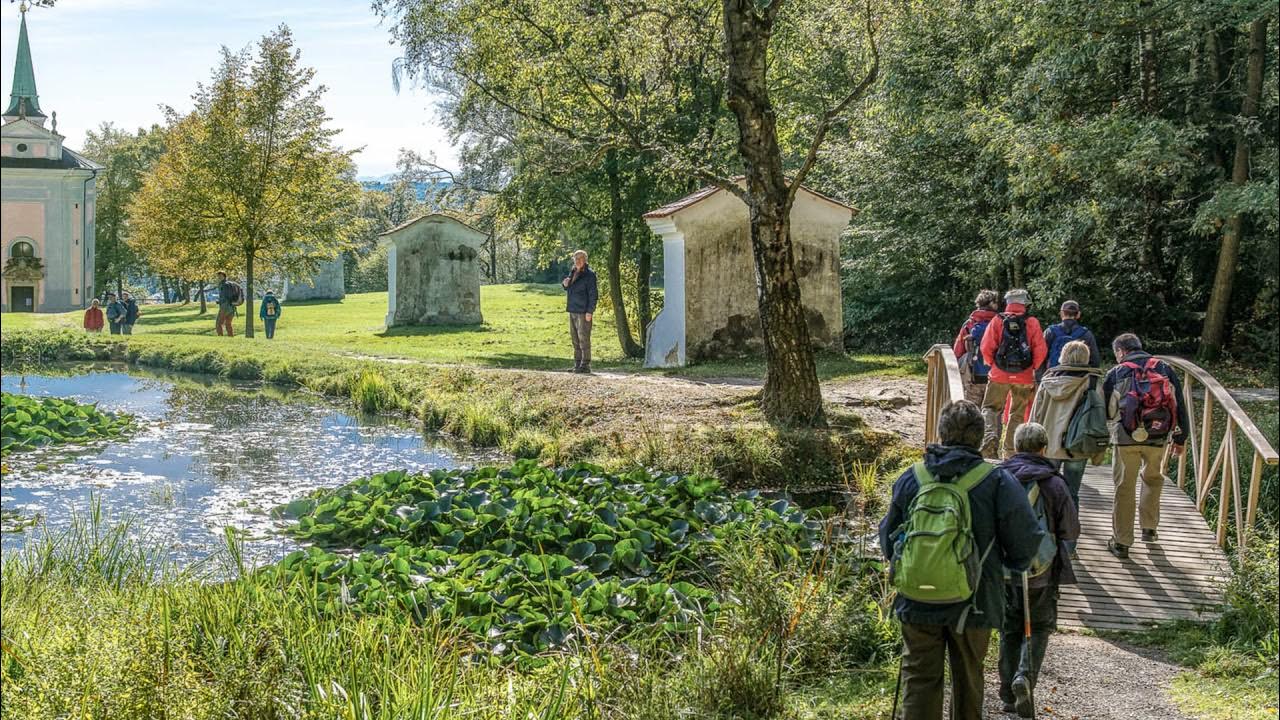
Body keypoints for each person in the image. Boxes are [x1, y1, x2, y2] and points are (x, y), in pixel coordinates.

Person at [880, 400, 1043, 720]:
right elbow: (1025, 540)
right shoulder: (997, 482)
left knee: (919, 679)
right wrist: (1012, 564)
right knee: (968, 679)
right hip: (975, 601)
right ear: (980, 438)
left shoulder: (912, 478)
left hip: (916, 598)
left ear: (940, 434)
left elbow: (888, 537)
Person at [997, 423, 1080, 718]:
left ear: (1016, 447)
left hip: (1005, 570)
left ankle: (1007, 694)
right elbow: (1070, 530)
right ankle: (1025, 678)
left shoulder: (1000, 477)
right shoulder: (1054, 483)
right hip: (1041, 573)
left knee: (1009, 628)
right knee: (1040, 628)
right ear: (1044, 448)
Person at [1103, 333, 1189, 559]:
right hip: (1159, 435)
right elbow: (1178, 404)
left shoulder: (1116, 372)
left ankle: (1122, 542)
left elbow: (1105, 409)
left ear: (1121, 351)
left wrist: (1104, 436)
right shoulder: (1164, 369)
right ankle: (1149, 529)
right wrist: (1181, 438)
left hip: (1125, 437)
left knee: (1124, 487)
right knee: (1153, 479)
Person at [1031, 339, 1105, 513]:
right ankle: (1069, 537)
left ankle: (1047, 533)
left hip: (1049, 444)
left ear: (1062, 357)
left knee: (1046, 491)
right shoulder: (1093, 382)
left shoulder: (1048, 380)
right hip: (1078, 444)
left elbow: (1036, 414)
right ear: (1086, 358)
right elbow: (1103, 414)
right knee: (1072, 493)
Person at [979, 288, 1048, 459]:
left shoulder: (998, 320)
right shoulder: (1032, 322)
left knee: (990, 408)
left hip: (999, 374)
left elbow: (986, 346)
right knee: (1017, 413)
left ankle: (989, 439)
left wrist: (991, 364)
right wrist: (1032, 369)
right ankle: (1009, 452)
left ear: (1008, 302)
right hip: (1024, 376)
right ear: (1025, 303)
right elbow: (1041, 349)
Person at [953, 289, 1000, 406]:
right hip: (997, 373)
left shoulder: (970, 323)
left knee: (971, 407)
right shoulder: (1001, 323)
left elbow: (958, 350)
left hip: (973, 372)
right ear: (991, 303)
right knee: (992, 410)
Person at [561, 249, 598, 373]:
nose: (577, 261)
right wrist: (565, 284)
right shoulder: (573, 272)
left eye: (580, 258)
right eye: (576, 259)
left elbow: (593, 295)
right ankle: (577, 364)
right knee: (575, 338)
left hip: (583, 311)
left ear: (585, 260)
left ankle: (585, 365)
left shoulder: (590, 275)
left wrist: (590, 311)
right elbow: (570, 288)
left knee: (584, 338)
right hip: (572, 309)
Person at [1041, 300, 1100, 373]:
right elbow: (1095, 361)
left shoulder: (1050, 332)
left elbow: (1041, 358)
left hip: (1054, 378)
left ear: (1062, 313)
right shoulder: (1086, 334)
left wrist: (1041, 379)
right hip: (1078, 379)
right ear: (1078, 314)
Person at [214, 271, 236, 337]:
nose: (219, 277)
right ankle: (231, 337)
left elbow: (226, 297)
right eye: (218, 276)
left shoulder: (224, 285)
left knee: (218, 323)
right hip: (231, 306)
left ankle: (220, 337)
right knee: (228, 324)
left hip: (225, 306)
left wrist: (220, 301)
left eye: (220, 276)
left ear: (224, 276)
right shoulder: (229, 284)